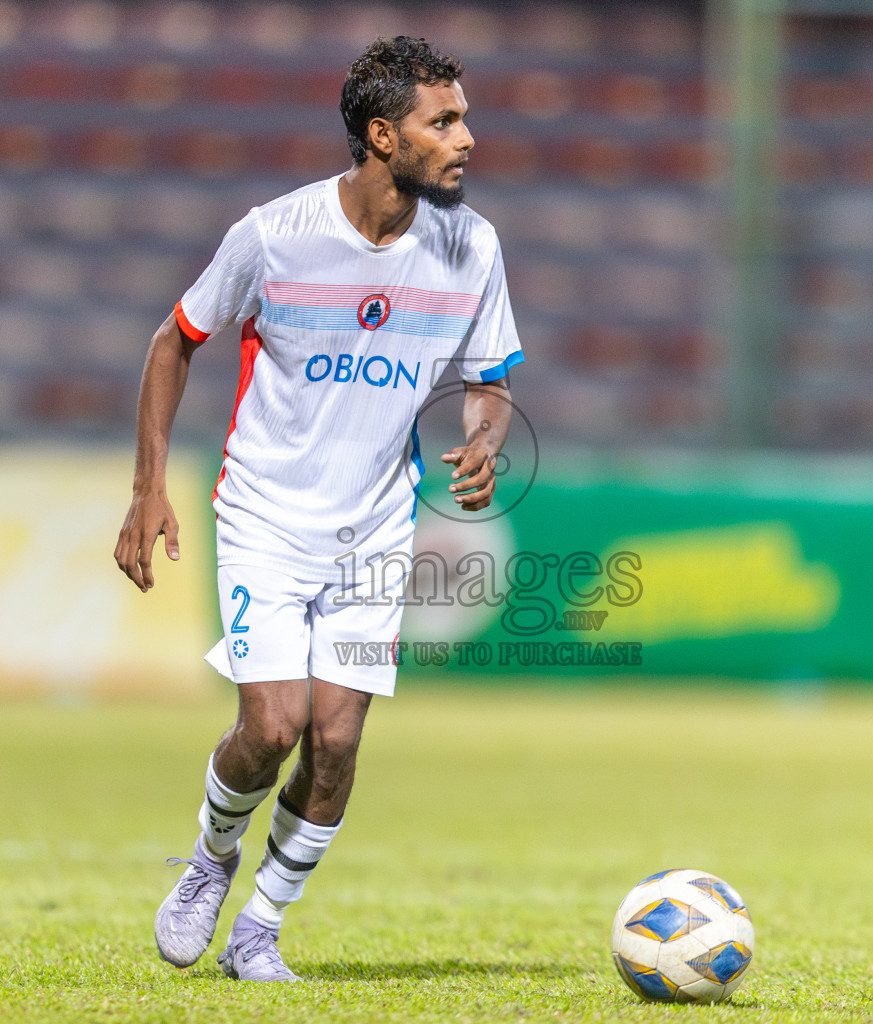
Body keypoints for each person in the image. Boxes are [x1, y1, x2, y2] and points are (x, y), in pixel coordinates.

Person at [113, 36, 523, 982]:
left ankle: (260, 929)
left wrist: (486, 440)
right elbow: (174, 342)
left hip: (376, 526)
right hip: (264, 512)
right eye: (445, 121)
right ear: (383, 136)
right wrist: (146, 491)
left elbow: (491, 377)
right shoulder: (275, 235)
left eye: (463, 116)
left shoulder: (473, 245)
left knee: (334, 744)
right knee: (273, 727)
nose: (468, 137)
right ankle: (212, 858)